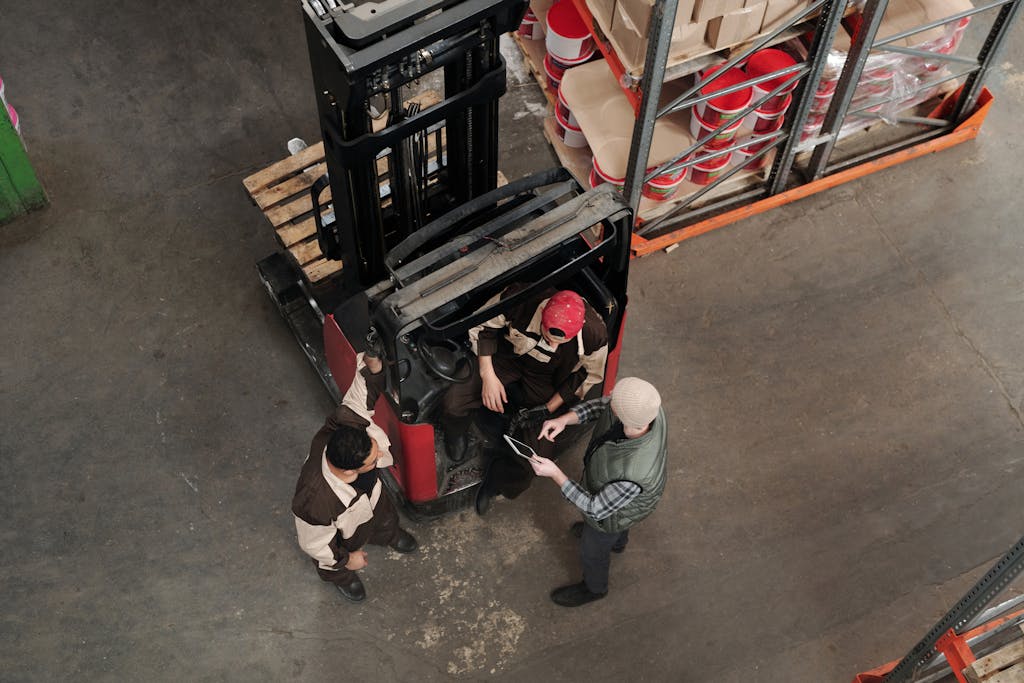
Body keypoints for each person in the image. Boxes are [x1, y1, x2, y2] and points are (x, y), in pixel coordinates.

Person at [441, 284, 609, 514]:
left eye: (561, 342)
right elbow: (481, 326)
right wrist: (487, 375)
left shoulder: (595, 334)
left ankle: (496, 479)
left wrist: (547, 408)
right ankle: (456, 434)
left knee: (535, 461)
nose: (552, 345)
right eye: (549, 336)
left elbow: (587, 375)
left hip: (548, 379)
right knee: (453, 401)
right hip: (506, 357)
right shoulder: (518, 299)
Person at [529, 377, 667, 607]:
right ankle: (618, 542)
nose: (610, 395)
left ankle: (595, 588)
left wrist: (555, 473)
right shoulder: (648, 411)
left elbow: (595, 508)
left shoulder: (633, 473)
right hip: (625, 503)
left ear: (626, 418)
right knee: (619, 525)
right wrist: (564, 420)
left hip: (609, 514)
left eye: (616, 401)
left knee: (592, 551)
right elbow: (604, 407)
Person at [291, 401, 419, 603]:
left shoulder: (338, 431)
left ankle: (389, 534)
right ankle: (342, 578)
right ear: (350, 471)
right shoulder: (314, 502)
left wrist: (375, 369)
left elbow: (360, 390)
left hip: (371, 499)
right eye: (373, 461)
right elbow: (315, 544)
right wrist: (348, 560)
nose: (380, 455)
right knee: (330, 561)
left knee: (383, 516)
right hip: (342, 529)